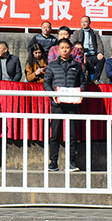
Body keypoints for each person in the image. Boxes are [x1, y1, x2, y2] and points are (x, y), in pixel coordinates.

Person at [43, 38, 86, 172]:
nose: (65, 50)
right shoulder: (52, 65)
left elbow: (82, 82)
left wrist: (81, 94)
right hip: (57, 104)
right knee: (55, 134)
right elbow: (46, 82)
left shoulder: (77, 66)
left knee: (72, 134)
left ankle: (71, 162)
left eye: (67, 48)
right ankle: (53, 162)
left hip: (73, 104)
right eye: (62, 48)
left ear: (71, 49)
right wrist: (52, 95)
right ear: (58, 49)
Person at [73, 16, 105, 83]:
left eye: (86, 22)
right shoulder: (77, 33)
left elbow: (99, 43)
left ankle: (96, 78)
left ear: (89, 23)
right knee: (86, 65)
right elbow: (73, 44)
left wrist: (100, 53)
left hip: (93, 54)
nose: (84, 23)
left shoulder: (94, 33)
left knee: (101, 59)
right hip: (82, 55)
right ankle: (86, 79)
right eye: (82, 22)